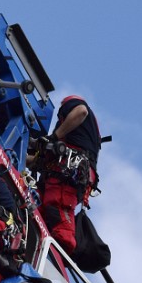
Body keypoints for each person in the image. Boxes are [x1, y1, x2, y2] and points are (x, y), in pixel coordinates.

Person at [38, 95, 102, 257]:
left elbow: (81, 111)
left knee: (58, 215)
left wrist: (54, 136)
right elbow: (37, 162)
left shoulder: (72, 105)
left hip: (66, 177)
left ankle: (60, 253)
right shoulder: (84, 135)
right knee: (40, 212)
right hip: (68, 178)